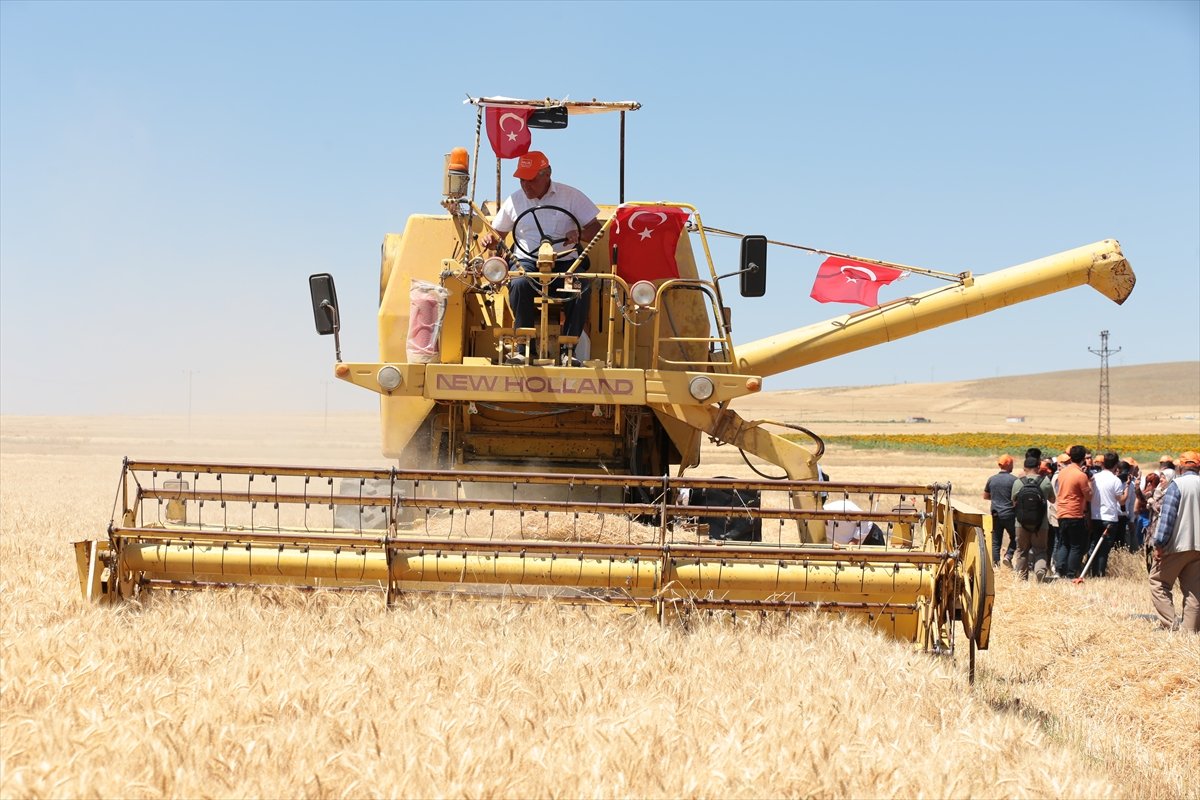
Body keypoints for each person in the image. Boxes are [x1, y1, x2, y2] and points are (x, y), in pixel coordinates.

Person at [480, 151, 602, 366]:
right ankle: (523, 349)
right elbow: (498, 235)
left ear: (547, 174)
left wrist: (579, 235)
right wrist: (491, 240)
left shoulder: (571, 196)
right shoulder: (514, 200)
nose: (526, 185)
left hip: (566, 263)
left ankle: (570, 351)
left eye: (531, 180)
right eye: (522, 180)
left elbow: (595, 229)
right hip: (526, 262)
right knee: (518, 283)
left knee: (580, 285)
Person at [1148, 451, 1200, 632]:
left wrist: (1159, 544)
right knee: (1194, 591)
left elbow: (1167, 517)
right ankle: (1189, 631)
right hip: (1198, 548)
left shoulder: (1176, 485)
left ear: (1179, 467)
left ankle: (1172, 626)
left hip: (1177, 545)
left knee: (1158, 582)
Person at [1010, 455, 1055, 581]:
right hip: (1041, 523)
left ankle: (1021, 577)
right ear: (1038, 467)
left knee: (1022, 551)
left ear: (1024, 468)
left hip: (1021, 523)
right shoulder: (1045, 481)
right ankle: (1040, 571)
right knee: (1040, 550)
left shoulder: (1018, 482)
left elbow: (1013, 502)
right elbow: (1053, 499)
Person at [1054, 445, 1093, 578]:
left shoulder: (1062, 472)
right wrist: (1090, 482)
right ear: (1083, 459)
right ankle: (1071, 574)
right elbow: (1089, 496)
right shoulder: (1081, 475)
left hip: (1061, 512)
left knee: (1064, 543)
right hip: (1075, 513)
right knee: (1076, 546)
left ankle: (1060, 570)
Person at [1087, 452, 1123, 577]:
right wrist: (1128, 488)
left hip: (1095, 516)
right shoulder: (1116, 480)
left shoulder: (1095, 477)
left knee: (1094, 545)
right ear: (1116, 465)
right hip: (1110, 518)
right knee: (1103, 550)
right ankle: (1099, 574)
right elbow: (1121, 500)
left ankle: (1091, 572)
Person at [983, 455, 1018, 568]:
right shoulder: (1014, 480)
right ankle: (1008, 556)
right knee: (1016, 537)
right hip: (1009, 514)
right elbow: (1016, 499)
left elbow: (986, 496)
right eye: (1012, 463)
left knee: (996, 541)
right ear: (1008, 464)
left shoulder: (992, 479)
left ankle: (995, 565)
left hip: (995, 514)